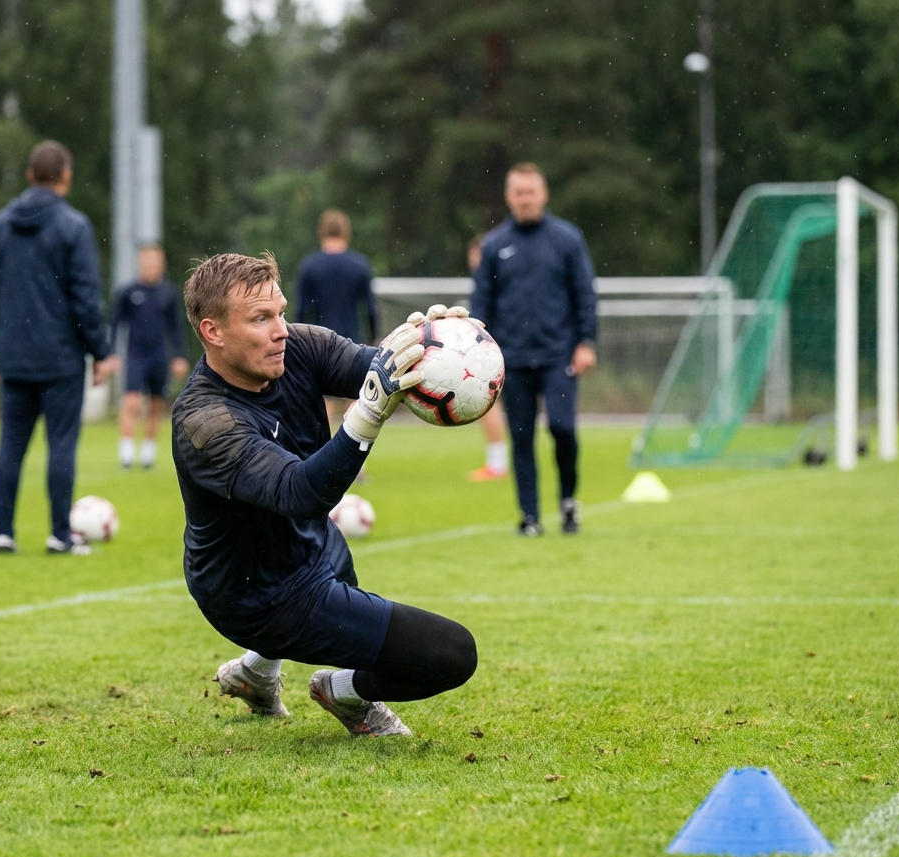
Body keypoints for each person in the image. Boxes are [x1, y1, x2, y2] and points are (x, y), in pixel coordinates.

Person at [172, 252, 477, 737]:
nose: (281, 330)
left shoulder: (300, 347)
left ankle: (256, 674)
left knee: (346, 584)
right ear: (213, 331)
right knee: (452, 654)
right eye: (260, 319)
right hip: (255, 596)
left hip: (311, 547)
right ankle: (344, 692)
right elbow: (302, 493)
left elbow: (379, 369)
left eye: (280, 312)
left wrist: (437, 346)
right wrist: (366, 415)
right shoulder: (205, 421)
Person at [0, 140, 113, 555]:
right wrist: (100, 350)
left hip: (15, 354)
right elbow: (85, 297)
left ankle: (4, 531)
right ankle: (60, 533)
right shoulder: (74, 227)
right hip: (60, 357)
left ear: (29, 175)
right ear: (66, 176)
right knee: (61, 445)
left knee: (11, 445)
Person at [471, 162, 598, 536]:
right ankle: (530, 517)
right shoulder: (494, 246)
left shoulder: (567, 239)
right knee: (521, 437)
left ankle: (569, 501)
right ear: (509, 196)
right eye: (517, 192)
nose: (524, 199)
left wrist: (586, 342)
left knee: (562, 428)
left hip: (559, 355)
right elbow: (481, 304)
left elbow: (584, 294)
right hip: (512, 359)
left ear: (543, 194)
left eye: (531, 192)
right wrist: (479, 348)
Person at [108, 244, 190, 470]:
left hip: (159, 355)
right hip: (135, 354)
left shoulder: (168, 292)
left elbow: (176, 327)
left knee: (156, 404)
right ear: (141, 264)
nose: (153, 266)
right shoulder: (128, 291)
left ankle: (147, 454)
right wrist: (112, 353)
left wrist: (180, 356)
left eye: (157, 262)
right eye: (149, 262)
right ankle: (126, 453)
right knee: (132, 402)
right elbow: (116, 323)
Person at [296, 209, 379, 421]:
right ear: (346, 232)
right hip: (352, 340)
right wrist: (374, 337)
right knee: (358, 401)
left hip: (319, 341)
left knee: (324, 402)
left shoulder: (310, 266)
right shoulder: (359, 265)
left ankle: (324, 450)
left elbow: (302, 310)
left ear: (321, 232)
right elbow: (370, 308)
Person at [466, 234, 509, 482]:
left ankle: (497, 465)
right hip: (502, 348)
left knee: (489, 405)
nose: (473, 262)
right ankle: (498, 463)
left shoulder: (491, 283)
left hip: (495, 351)